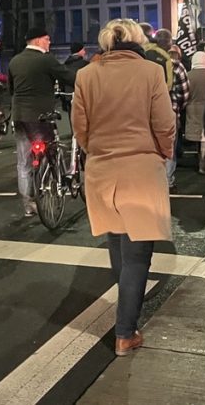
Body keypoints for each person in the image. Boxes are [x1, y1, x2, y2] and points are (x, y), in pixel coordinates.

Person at [72, 19, 176, 357]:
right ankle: (125, 332)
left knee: (116, 243)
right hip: (141, 171)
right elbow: (164, 122)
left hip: (102, 169)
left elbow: (79, 127)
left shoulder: (86, 75)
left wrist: (97, 150)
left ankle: (125, 321)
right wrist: (164, 152)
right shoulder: (150, 72)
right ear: (137, 40)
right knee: (137, 255)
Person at [8, 27, 74, 216]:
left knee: (23, 161)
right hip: (41, 116)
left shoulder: (15, 61)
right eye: (47, 39)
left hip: (19, 116)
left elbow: (10, 89)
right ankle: (51, 181)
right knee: (49, 151)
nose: (49, 42)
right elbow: (69, 76)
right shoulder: (46, 60)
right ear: (37, 41)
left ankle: (28, 203)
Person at [155, 29, 190, 189]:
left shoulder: (147, 62)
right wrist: (178, 109)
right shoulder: (177, 66)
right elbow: (184, 92)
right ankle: (167, 181)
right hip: (170, 111)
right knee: (169, 148)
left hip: (150, 112)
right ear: (169, 43)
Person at [185, 51, 205, 174]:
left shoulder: (188, 76)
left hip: (193, 110)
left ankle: (200, 160)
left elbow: (185, 95)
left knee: (198, 138)